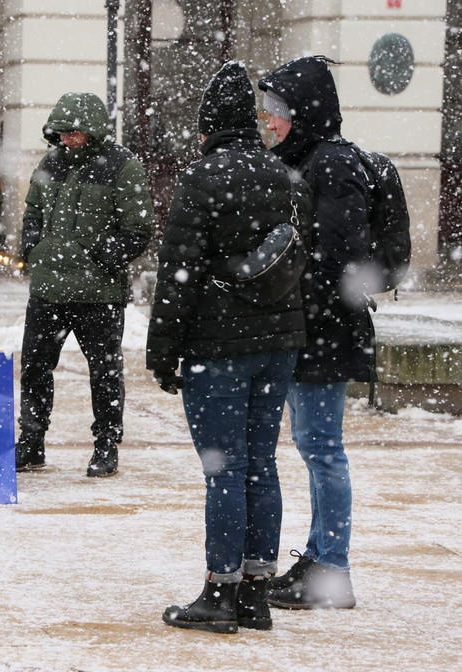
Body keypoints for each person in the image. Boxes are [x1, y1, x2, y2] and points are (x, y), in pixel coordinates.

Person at [147, 61, 310, 633]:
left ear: (208, 125)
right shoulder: (286, 177)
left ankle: (220, 591)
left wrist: (162, 350)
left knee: (226, 469)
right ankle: (255, 593)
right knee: (261, 464)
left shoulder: (202, 178)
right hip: (279, 342)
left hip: (218, 346)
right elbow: (299, 262)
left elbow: (179, 272)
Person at [257, 55, 372, 610]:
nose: (268, 121)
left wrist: (293, 282)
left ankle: (332, 569)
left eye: (276, 111)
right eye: (266, 111)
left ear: (303, 113)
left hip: (324, 330)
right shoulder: (307, 159)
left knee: (323, 450)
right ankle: (320, 557)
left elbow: (340, 255)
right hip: (309, 328)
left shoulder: (331, 164)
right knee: (312, 446)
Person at [16, 92, 154, 477]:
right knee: (35, 368)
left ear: (92, 131)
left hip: (99, 295)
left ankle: (106, 446)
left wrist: (99, 259)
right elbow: (31, 212)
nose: (67, 140)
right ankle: (31, 443)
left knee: (105, 372)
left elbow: (139, 228)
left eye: (74, 133)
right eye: (61, 133)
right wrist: (34, 249)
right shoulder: (50, 162)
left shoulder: (122, 166)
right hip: (47, 290)